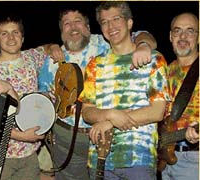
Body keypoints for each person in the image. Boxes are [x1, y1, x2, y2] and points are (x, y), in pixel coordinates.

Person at [38, 6, 157, 180]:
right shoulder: (52, 60)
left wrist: (144, 45)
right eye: (67, 23)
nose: (73, 27)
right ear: (61, 30)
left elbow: (144, 35)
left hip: (107, 135)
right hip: (66, 138)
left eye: (78, 21)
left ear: (87, 26)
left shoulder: (107, 42)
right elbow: (43, 99)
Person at [79, 2, 169, 180]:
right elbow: (87, 112)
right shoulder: (94, 65)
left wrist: (110, 122)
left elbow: (157, 111)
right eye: (104, 22)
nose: (110, 26)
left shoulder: (154, 60)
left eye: (116, 19)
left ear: (129, 23)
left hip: (138, 159)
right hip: (100, 158)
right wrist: (111, 114)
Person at [0, 15, 59, 180]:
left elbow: (46, 48)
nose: (11, 38)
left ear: (22, 37)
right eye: (4, 33)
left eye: (15, 32)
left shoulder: (30, 57)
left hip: (30, 153)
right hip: (3, 156)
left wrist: (53, 47)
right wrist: (21, 136)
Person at [160, 12, 199, 180]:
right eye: (177, 31)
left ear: (198, 37)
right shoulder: (165, 70)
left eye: (190, 31)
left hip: (195, 160)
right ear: (170, 36)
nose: (183, 36)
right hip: (164, 159)